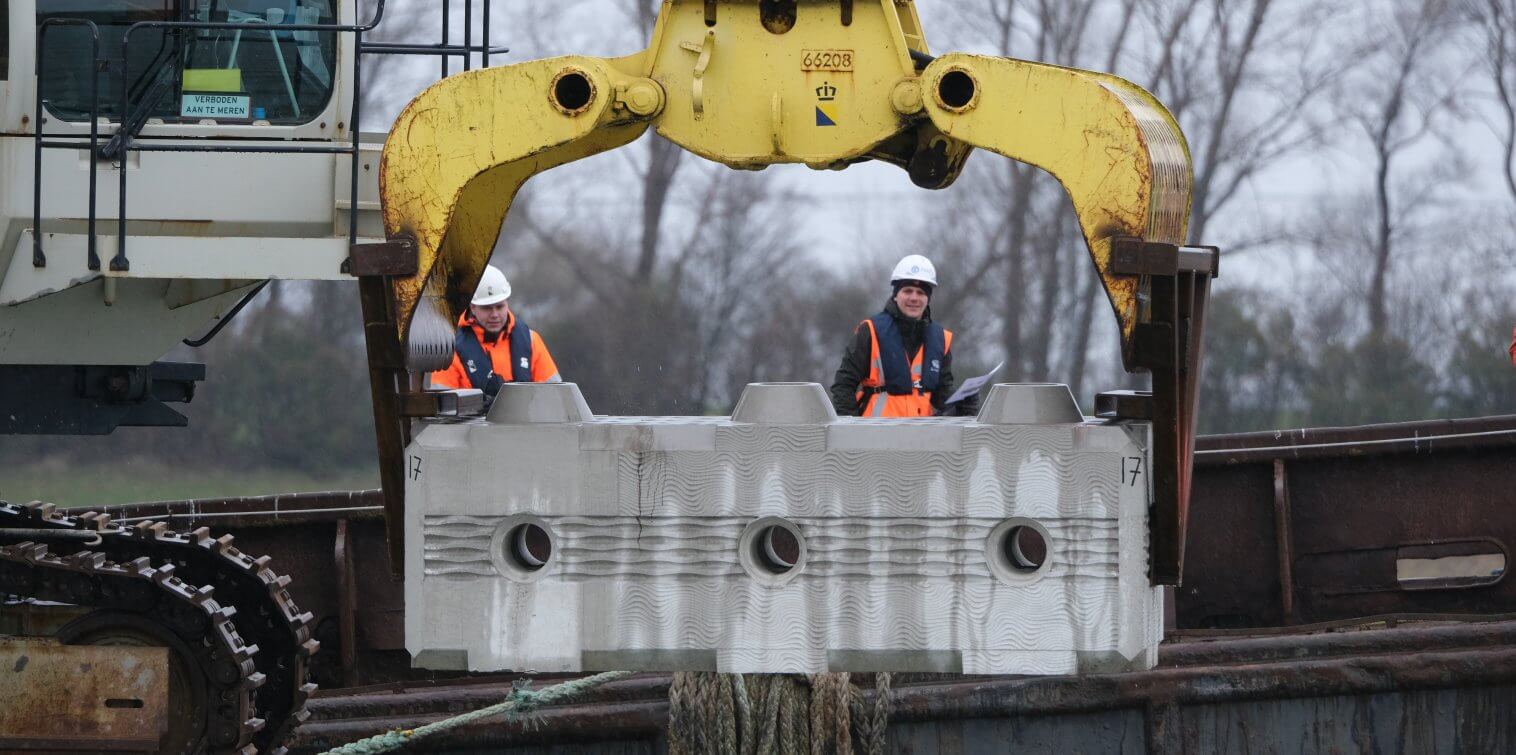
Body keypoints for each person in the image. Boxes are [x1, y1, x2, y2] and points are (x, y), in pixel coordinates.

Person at [829, 254, 978, 417]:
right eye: (908, 290)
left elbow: (941, 395)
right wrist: (851, 429)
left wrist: (962, 402)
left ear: (927, 298)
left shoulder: (940, 338)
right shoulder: (871, 330)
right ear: (896, 294)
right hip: (875, 436)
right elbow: (843, 386)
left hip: (923, 437)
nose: (914, 297)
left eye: (920, 292)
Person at [430, 265, 561, 404]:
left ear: (507, 304)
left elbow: (555, 398)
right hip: (472, 425)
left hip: (526, 424)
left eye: (499, 306)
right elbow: (443, 409)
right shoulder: (451, 349)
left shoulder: (530, 340)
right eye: (487, 308)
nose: (495, 315)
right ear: (472, 307)